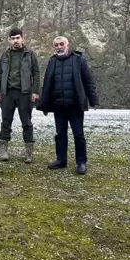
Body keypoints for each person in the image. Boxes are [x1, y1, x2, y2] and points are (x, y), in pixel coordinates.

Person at [36, 36, 99, 175]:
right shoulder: (52, 61)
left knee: (78, 134)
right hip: (58, 105)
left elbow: (88, 81)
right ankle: (61, 160)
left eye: (61, 44)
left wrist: (94, 100)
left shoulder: (79, 60)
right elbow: (47, 84)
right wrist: (44, 105)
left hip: (75, 105)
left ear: (67, 45)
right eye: (56, 45)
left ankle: (81, 162)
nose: (59, 47)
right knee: (60, 134)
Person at [0, 28, 40, 163]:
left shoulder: (30, 54)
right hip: (7, 93)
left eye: (18, 38)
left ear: (22, 39)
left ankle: (28, 153)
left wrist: (36, 91)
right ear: (9, 40)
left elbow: (36, 73)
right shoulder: (4, 55)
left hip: (24, 93)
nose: (15, 40)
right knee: (6, 122)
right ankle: (4, 151)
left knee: (26, 123)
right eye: (13, 38)